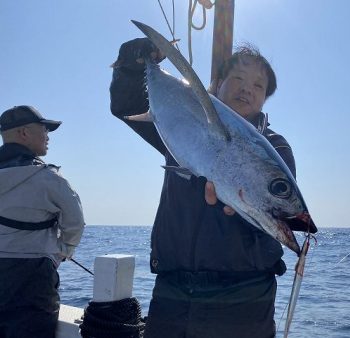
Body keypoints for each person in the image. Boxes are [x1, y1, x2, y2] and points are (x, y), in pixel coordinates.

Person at [110, 38, 308, 338]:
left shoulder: (276, 150)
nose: (247, 89)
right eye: (238, 79)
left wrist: (238, 213)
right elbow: (126, 105)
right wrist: (131, 64)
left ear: (265, 98)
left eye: (258, 86)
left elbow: (275, 215)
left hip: (243, 300)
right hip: (173, 293)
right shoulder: (181, 122)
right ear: (216, 84)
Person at [0, 105, 85, 338]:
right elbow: (75, 223)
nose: (47, 136)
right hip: (32, 277)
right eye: (44, 129)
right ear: (24, 133)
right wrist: (62, 253)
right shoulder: (48, 178)